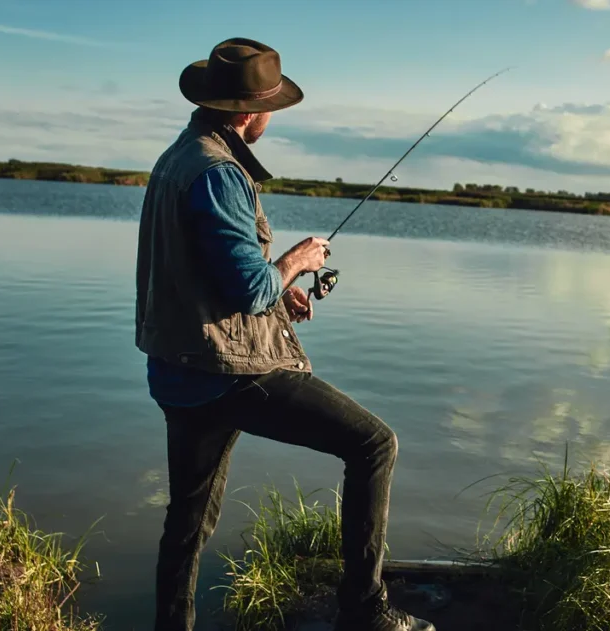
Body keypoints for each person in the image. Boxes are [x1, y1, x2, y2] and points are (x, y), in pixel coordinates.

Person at [134, 38, 435, 631]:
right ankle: (365, 612)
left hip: (178, 369)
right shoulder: (219, 173)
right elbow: (247, 287)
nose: (273, 115)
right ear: (248, 110)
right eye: (272, 105)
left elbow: (215, 276)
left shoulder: (179, 157)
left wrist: (280, 293)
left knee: (188, 521)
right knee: (375, 445)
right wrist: (295, 260)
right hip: (226, 374)